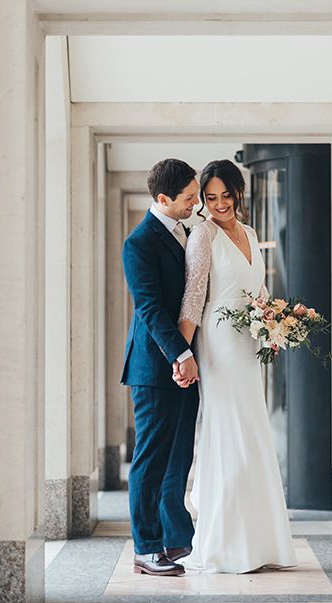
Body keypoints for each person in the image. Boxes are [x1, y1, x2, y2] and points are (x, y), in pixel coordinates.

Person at [175, 159, 297, 573]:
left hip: (249, 340)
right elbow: (193, 296)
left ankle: (262, 542)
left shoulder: (250, 233)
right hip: (219, 339)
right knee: (229, 432)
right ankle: (226, 542)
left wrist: (273, 327)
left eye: (226, 195)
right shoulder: (202, 234)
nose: (219, 203)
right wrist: (181, 351)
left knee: (254, 429)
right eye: (210, 198)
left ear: (238, 193)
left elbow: (259, 290)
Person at [121, 159, 200, 576]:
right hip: (156, 367)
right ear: (163, 199)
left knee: (178, 457)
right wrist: (180, 355)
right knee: (150, 460)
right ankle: (145, 546)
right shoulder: (139, 243)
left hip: (188, 364)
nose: (195, 204)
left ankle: (173, 539)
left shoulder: (186, 231)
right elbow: (149, 308)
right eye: (188, 199)